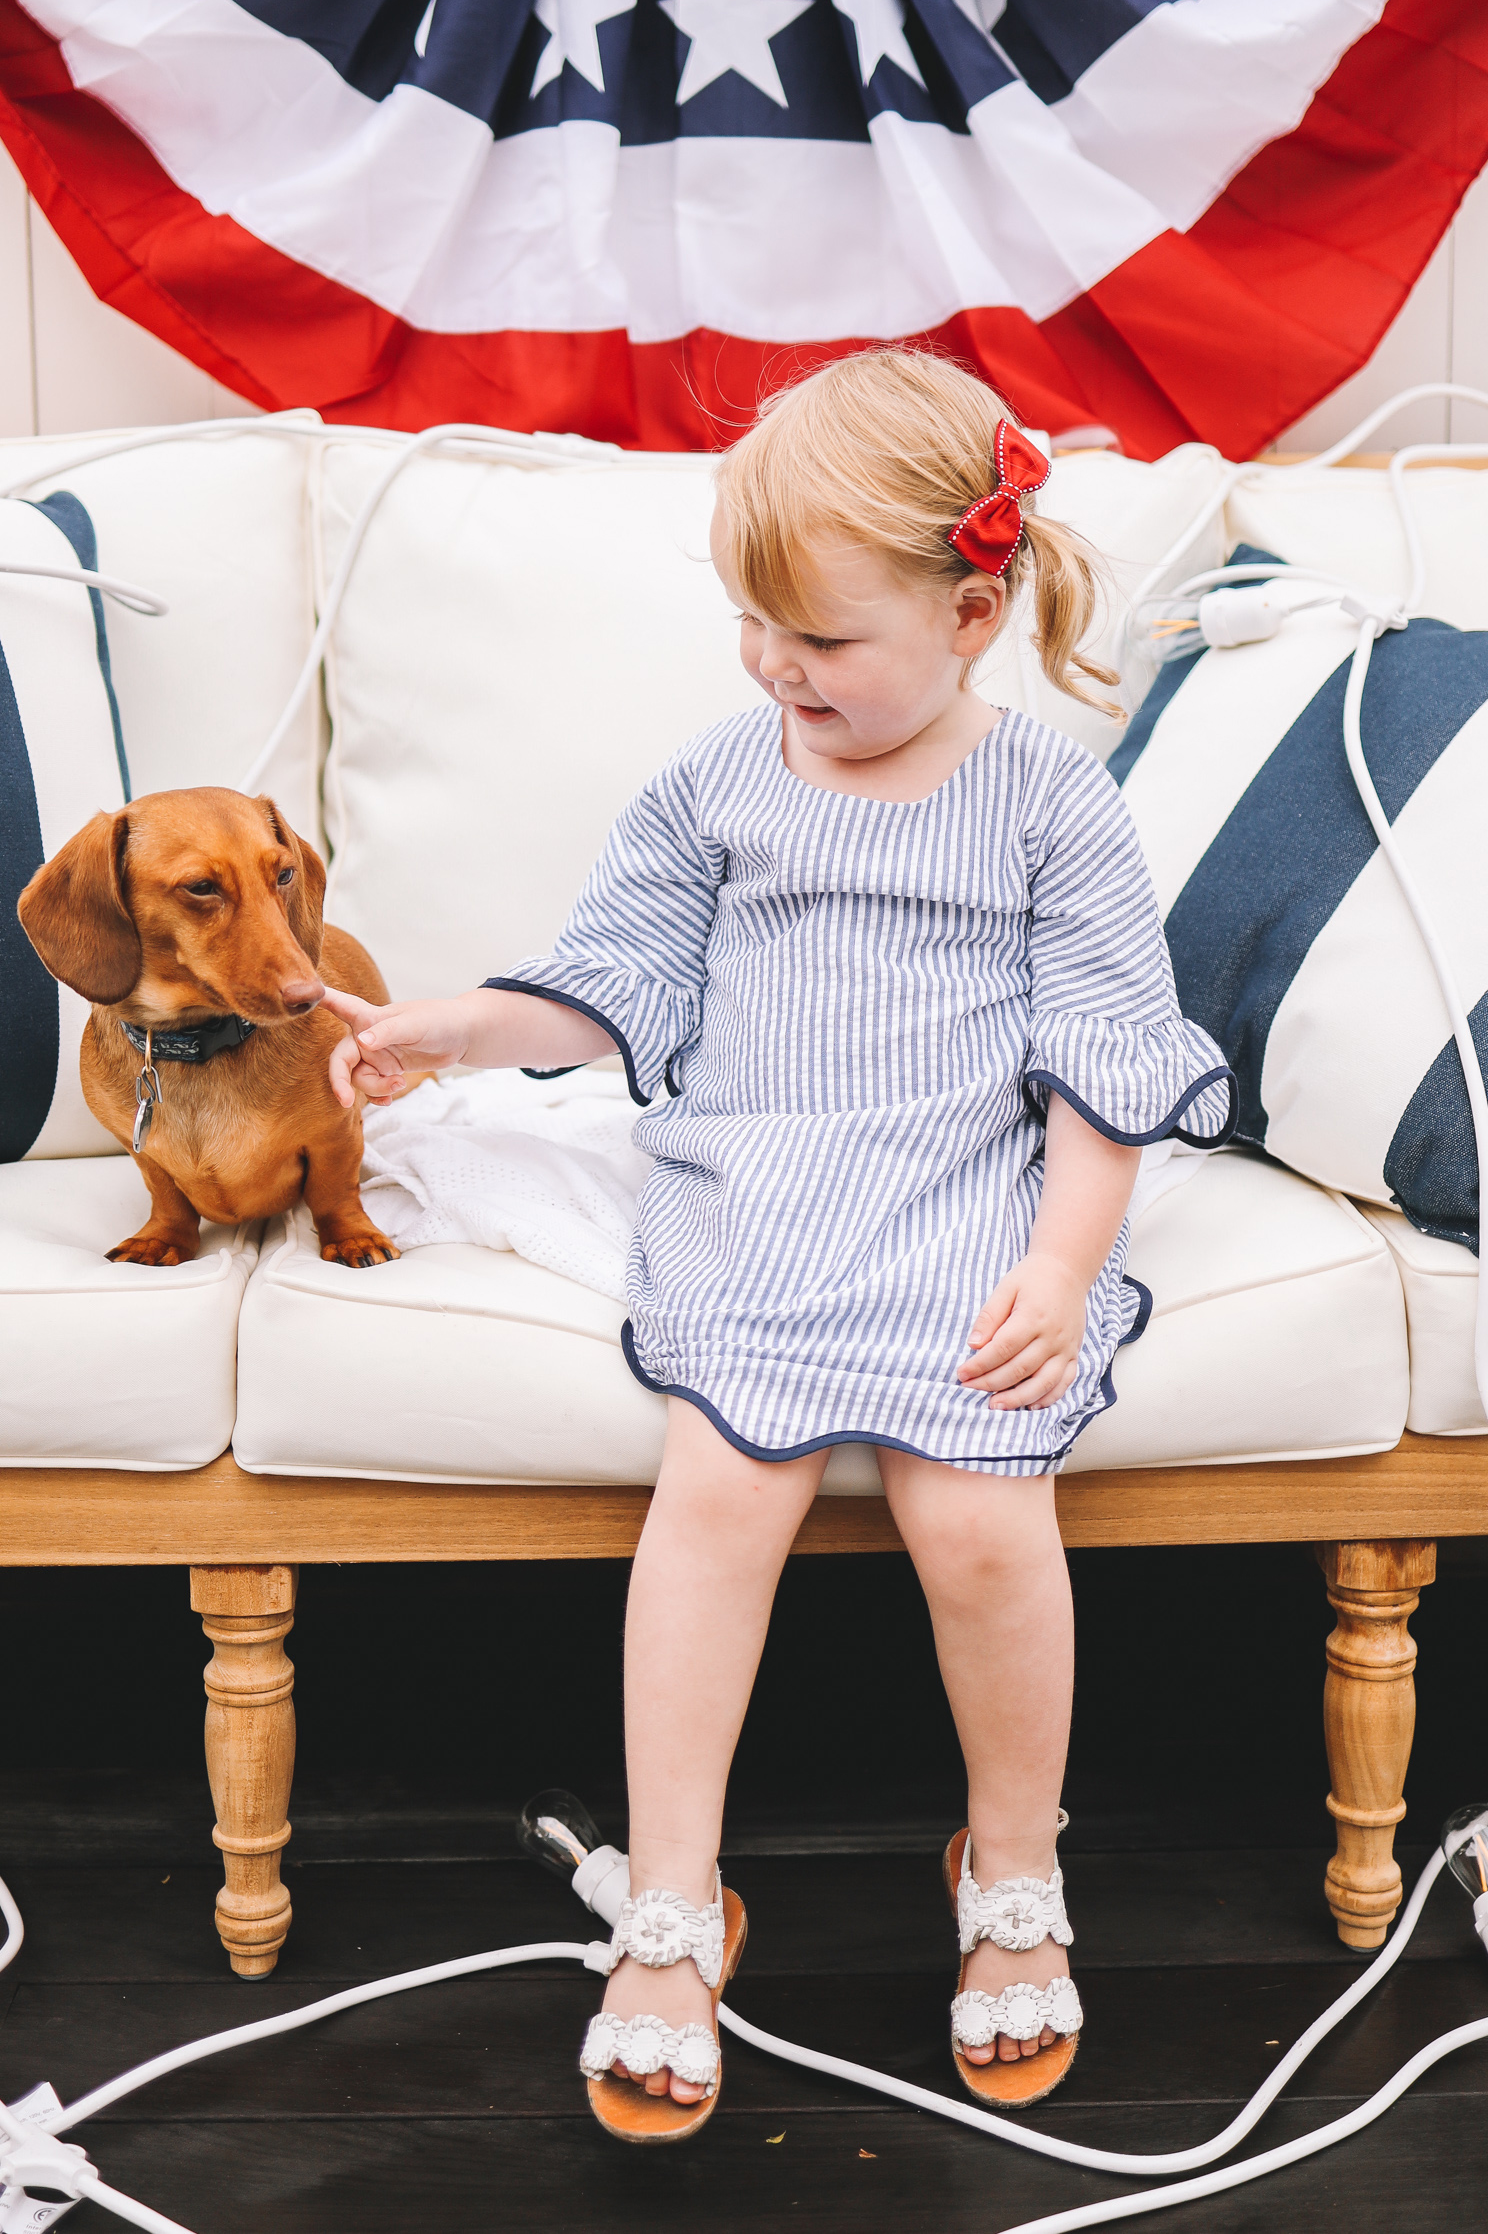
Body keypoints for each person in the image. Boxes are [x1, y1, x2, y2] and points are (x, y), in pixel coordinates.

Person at [324, 348, 1236, 2140]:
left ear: (975, 610)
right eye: (755, 626)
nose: (777, 669)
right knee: (720, 1496)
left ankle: (1013, 1863)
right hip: (763, 1191)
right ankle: (671, 1903)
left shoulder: (1056, 809)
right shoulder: (719, 784)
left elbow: (1107, 1062)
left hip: (964, 1198)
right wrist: (448, 1025)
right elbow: (611, 985)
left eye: (821, 640)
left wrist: (1058, 1272)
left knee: (976, 1508)